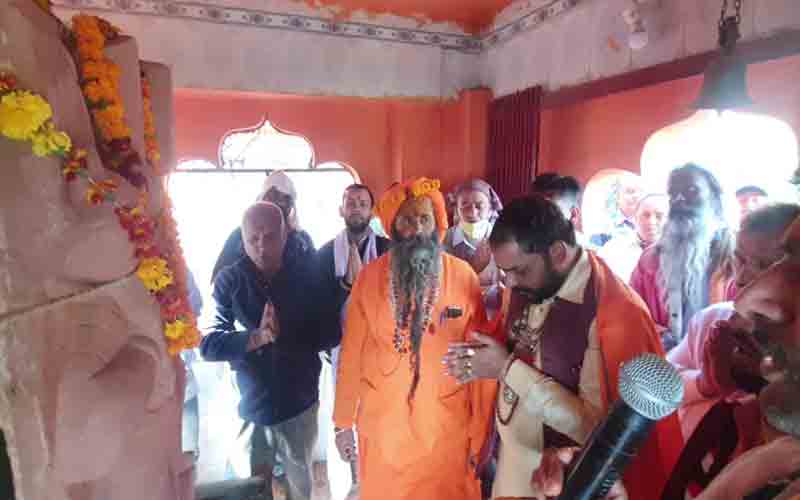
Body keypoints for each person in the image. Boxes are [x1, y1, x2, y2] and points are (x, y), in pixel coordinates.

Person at [444, 195, 682, 500]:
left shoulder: (616, 314)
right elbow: (516, 341)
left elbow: (597, 431)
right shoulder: (532, 280)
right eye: (505, 273)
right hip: (508, 464)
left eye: (519, 271)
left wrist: (506, 368)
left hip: (559, 481)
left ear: (557, 252)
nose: (510, 284)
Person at [332, 178, 497, 500]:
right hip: (386, 428)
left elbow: (480, 363)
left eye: (425, 218)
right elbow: (351, 354)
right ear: (393, 228)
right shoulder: (368, 278)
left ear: (438, 222)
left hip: (445, 426)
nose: (418, 229)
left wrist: (481, 434)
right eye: (407, 220)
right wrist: (342, 421)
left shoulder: (463, 276)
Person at [662, 204, 800, 499]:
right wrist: (704, 384)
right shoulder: (713, 320)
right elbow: (662, 379)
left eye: (765, 264)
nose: (742, 283)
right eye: (738, 260)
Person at [201, 202, 335, 500]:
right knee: (250, 490)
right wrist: (256, 338)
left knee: (300, 488)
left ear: (285, 234)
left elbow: (332, 332)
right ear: (242, 238)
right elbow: (208, 344)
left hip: (299, 406)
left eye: (271, 237)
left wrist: (288, 332)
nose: (262, 247)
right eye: (253, 239)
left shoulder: (308, 275)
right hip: (249, 409)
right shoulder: (229, 280)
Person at [630, 164, 734, 351]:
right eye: (673, 194)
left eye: (691, 191)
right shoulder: (650, 260)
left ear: (715, 200)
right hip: (664, 362)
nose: (679, 200)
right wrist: (661, 337)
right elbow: (632, 310)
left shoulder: (737, 257)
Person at [211, 171, 315, 283]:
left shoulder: (302, 239)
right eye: (273, 196)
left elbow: (315, 277)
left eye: (286, 198)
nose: (280, 203)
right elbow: (220, 280)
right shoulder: (240, 235)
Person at [444, 179, 504, 289]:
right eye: (464, 205)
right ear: (456, 209)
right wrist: (475, 268)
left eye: (479, 206)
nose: (472, 212)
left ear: (490, 210)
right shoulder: (445, 239)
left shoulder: (502, 238)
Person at [598, 193, 669, 281]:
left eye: (659, 216)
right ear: (635, 218)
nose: (651, 222)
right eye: (645, 215)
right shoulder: (612, 250)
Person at [530, 173, 592, 248]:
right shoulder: (526, 246)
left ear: (573, 215)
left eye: (549, 212)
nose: (535, 220)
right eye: (533, 210)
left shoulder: (589, 253)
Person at [591, 173, 645, 248]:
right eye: (630, 191)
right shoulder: (603, 227)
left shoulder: (650, 221)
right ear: (617, 196)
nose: (636, 196)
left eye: (640, 192)